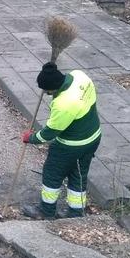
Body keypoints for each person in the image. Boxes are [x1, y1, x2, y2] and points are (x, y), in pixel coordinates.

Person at [20, 62, 102, 220]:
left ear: (53, 88)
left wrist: (30, 138)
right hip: (93, 138)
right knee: (78, 175)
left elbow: (49, 134)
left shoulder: (63, 104)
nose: (46, 93)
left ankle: (46, 212)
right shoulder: (80, 76)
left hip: (70, 146)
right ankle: (76, 214)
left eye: (47, 91)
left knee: (52, 175)